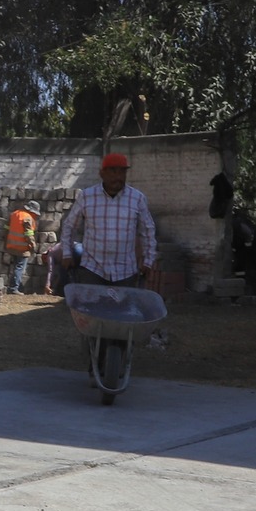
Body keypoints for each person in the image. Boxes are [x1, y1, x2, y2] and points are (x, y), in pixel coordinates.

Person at [57, 152, 158, 377]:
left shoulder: (137, 198)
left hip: (126, 270)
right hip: (93, 268)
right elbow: (68, 226)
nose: (117, 176)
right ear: (102, 173)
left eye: (121, 171)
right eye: (112, 171)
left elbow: (148, 231)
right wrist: (67, 253)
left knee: (124, 322)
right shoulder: (87, 196)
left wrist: (149, 261)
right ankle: (95, 361)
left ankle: (118, 362)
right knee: (94, 320)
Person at [4, 200, 40, 294]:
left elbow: (6, 229)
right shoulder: (27, 218)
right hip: (23, 248)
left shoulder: (14, 214)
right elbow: (28, 234)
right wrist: (33, 245)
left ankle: (17, 287)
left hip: (12, 246)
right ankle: (13, 288)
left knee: (16, 267)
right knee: (20, 268)